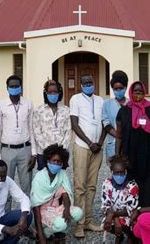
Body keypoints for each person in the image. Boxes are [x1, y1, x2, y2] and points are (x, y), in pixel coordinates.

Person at [116, 81, 150, 207]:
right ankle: (132, 218)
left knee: (149, 189)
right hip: (130, 157)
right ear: (131, 93)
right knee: (132, 189)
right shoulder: (124, 111)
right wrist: (117, 156)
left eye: (140, 91)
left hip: (149, 156)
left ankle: (147, 217)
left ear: (144, 93)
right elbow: (119, 135)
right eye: (135, 91)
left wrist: (149, 139)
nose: (137, 93)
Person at [69, 74, 106, 238]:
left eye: (90, 82)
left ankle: (89, 221)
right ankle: (79, 224)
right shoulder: (75, 99)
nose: (88, 85)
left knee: (92, 186)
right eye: (85, 83)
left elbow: (105, 123)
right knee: (80, 187)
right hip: (82, 147)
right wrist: (90, 142)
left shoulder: (100, 101)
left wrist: (100, 142)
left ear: (95, 83)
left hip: (97, 148)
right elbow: (74, 124)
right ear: (80, 84)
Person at [31, 144, 83, 244]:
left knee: (78, 213)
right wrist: (41, 237)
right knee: (62, 224)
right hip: (42, 211)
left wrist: (67, 209)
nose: (56, 164)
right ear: (47, 161)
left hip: (56, 208)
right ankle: (43, 233)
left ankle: (56, 232)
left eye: (59, 162)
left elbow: (65, 194)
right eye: (53, 161)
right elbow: (36, 206)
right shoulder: (39, 177)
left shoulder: (62, 174)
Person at [0, 75, 36, 197]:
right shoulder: (0, 105)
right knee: (5, 186)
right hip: (7, 151)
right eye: (11, 86)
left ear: (21, 87)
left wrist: (33, 153)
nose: (14, 88)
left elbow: (31, 128)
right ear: (7, 88)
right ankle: (5, 214)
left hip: (25, 150)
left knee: (26, 186)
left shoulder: (28, 104)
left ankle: (28, 214)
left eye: (16, 86)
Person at [33, 80, 71, 170]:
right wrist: (50, 151)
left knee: (60, 179)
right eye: (50, 92)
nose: (53, 94)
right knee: (44, 179)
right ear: (45, 94)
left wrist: (60, 150)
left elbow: (68, 132)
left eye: (55, 92)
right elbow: (37, 132)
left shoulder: (66, 110)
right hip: (43, 153)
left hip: (61, 153)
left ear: (59, 93)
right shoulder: (38, 110)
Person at [101, 155, 139, 244]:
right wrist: (115, 218)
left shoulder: (132, 186)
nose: (119, 175)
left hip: (127, 216)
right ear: (112, 172)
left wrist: (113, 215)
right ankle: (119, 235)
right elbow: (105, 205)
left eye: (122, 173)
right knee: (106, 223)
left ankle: (131, 236)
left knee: (124, 223)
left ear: (126, 172)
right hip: (113, 215)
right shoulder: (106, 183)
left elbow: (130, 210)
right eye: (116, 173)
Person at [102, 70, 129, 161]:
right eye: (115, 89)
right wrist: (118, 135)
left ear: (125, 87)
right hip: (113, 144)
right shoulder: (107, 104)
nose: (118, 91)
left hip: (129, 144)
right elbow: (106, 123)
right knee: (115, 171)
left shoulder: (131, 104)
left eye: (120, 88)